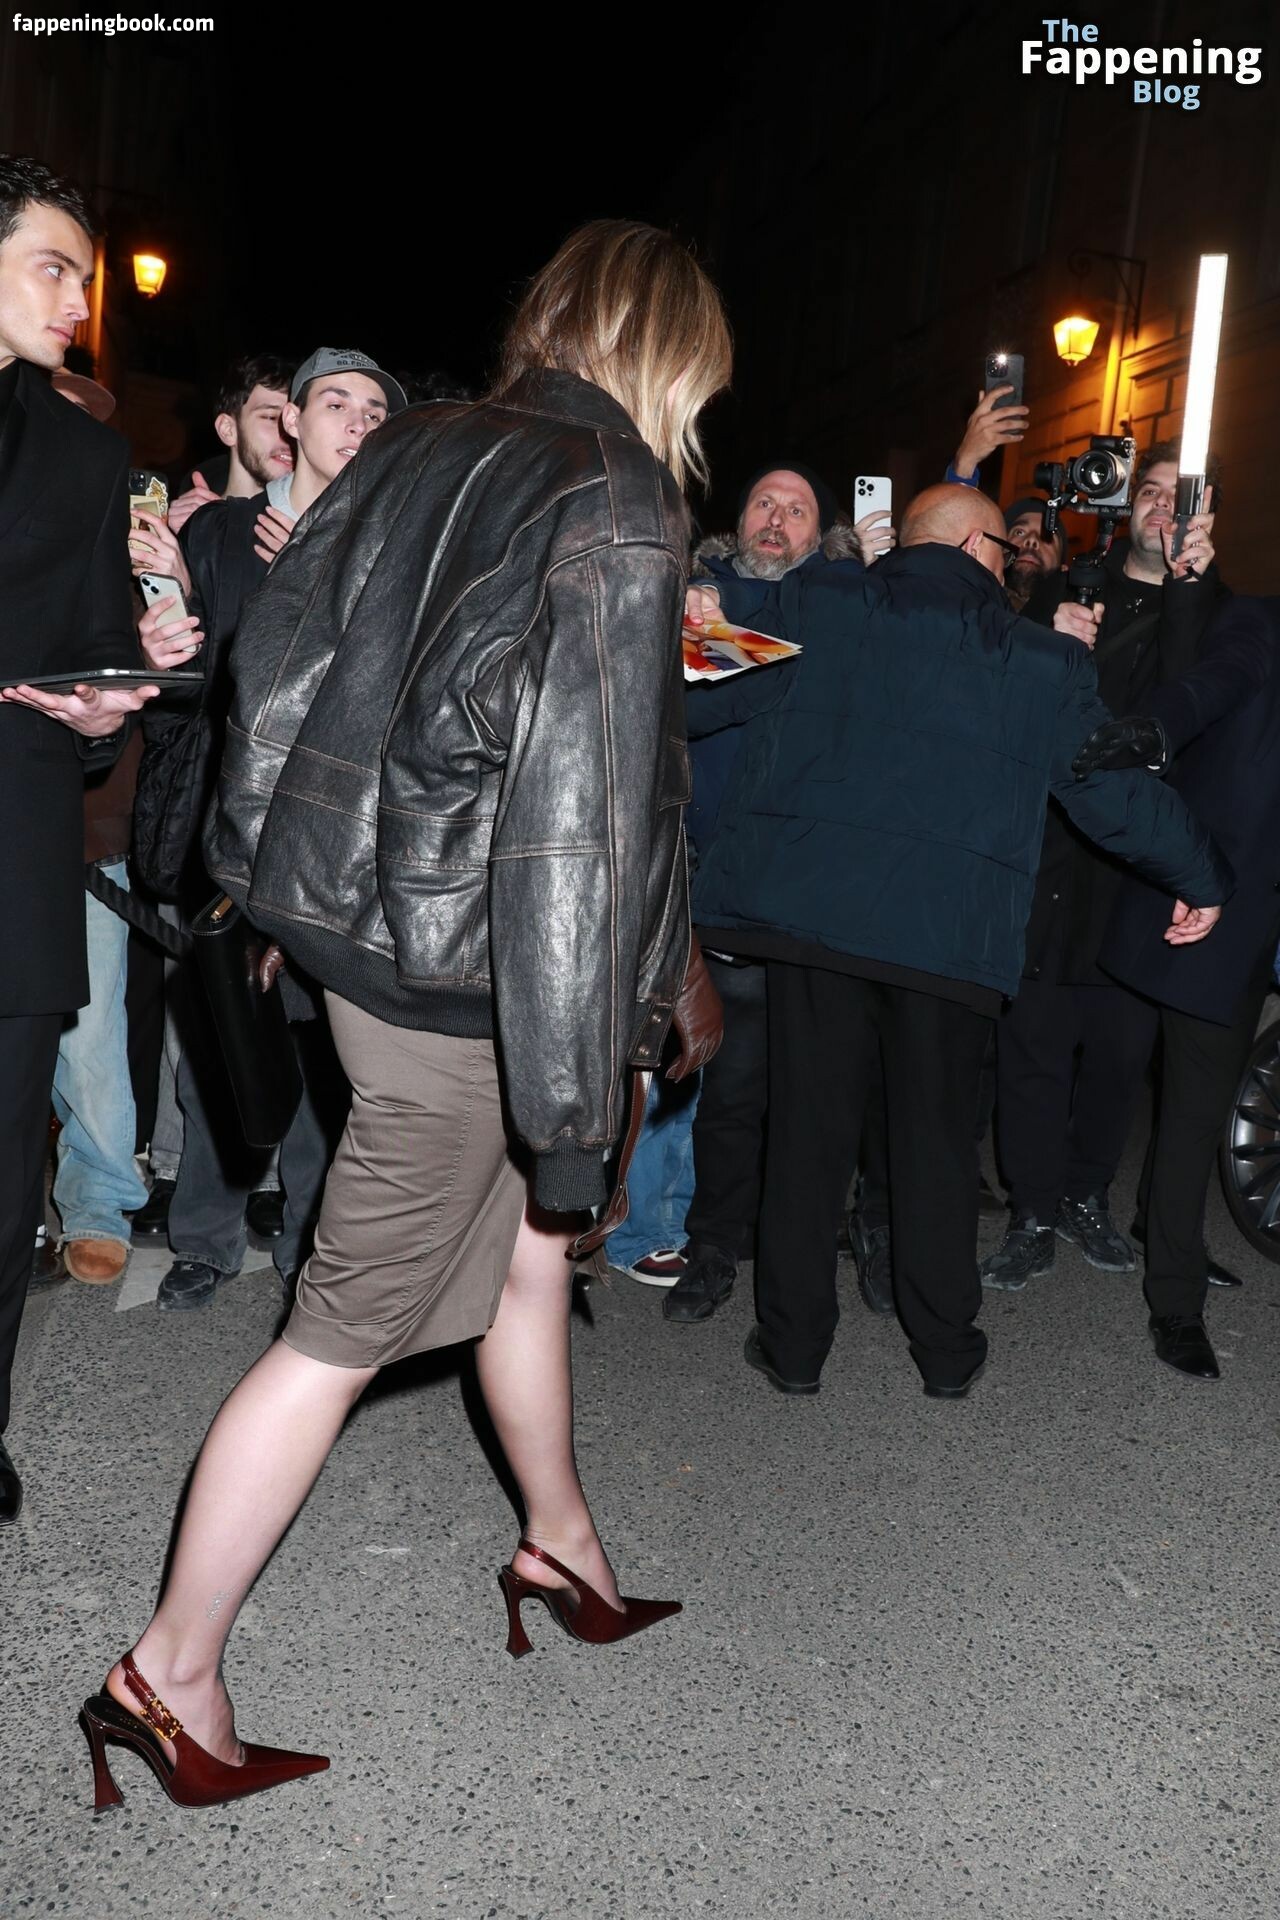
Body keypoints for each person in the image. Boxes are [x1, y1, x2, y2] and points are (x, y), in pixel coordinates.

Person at [81, 221, 729, 1808]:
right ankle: (166, 1673)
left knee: (524, 1263)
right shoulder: (617, 497)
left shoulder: (422, 443)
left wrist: (264, 881)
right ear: (669, 355)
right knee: (340, 1332)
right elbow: (575, 828)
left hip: (371, 939)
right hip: (475, 976)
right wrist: (576, 1112)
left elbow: (279, 666)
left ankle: (561, 1544)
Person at [684, 483, 1227, 1400]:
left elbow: (696, 694)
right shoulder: (1037, 661)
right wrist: (1201, 875)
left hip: (818, 927)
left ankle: (794, 1348)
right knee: (936, 1149)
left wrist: (694, 618)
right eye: (1006, 551)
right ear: (979, 548)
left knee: (807, 1142)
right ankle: (945, 1353)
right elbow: (1109, 790)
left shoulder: (818, 608)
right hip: (948, 941)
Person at [131, 346, 406, 1311]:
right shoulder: (218, 532)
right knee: (224, 1035)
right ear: (292, 419)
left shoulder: (393, 544)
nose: (357, 422)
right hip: (233, 825)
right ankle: (205, 1239)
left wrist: (310, 583)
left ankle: (308, 1244)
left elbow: (392, 697)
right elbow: (191, 693)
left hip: (339, 837)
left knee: (329, 1052)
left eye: (375, 410)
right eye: (336, 402)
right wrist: (154, 649)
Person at [0, 154, 157, 1525]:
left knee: (5, 1170)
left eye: (84, 278)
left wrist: (112, 697)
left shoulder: (89, 455)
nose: (76, 300)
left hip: (18, 837)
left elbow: (95, 656)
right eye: (52, 266)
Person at [984, 444, 1224, 1292]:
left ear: (1206, 518)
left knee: (1122, 1053)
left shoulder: (1219, 612)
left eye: (1180, 498)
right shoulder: (1065, 588)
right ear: (1126, 506)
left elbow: (1202, 721)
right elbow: (996, 697)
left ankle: (1085, 1194)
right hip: (1051, 855)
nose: (1162, 507)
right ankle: (1032, 1209)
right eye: (1149, 492)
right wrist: (1043, 642)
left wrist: (1192, 591)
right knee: (1034, 1047)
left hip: (1143, 871)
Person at [654, 465, 869, 1316]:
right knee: (731, 1080)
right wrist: (691, 611)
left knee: (816, 1086)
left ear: (822, 533)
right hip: (719, 879)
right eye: (763, 505)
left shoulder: (845, 606)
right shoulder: (688, 594)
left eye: (797, 510)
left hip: (817, 887)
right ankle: (713, 1246)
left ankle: (811, 1239)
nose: (776, 520)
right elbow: (682, 705)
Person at [1079, 596, 1280, 1378]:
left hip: (1251, 927)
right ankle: (1174, 1297)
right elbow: (1211, 681)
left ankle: (1163, 1241)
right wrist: (1155, 729)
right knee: (1155, 1093)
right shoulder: (1260, 624)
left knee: (1191, 1108)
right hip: (1198, 896)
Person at [164, 352, 296, 534]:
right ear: (228, 430)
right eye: (271, 417)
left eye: (296, 422)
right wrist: (184, 542)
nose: (290, 433)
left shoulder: (318, 529)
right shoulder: (188, 522)